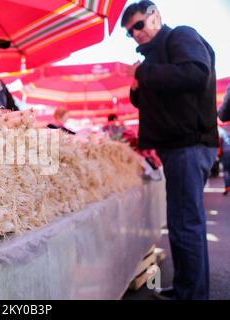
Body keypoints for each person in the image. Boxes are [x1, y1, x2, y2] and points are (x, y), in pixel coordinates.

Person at [122, 1, 219, 300]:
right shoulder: (156, 57)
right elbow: (154, 102)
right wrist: (137, 89)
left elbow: (195, 74)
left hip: (187, 146)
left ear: (155, 16)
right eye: (129, 32)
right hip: (180, 146)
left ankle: (190, 294)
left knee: (184, 225)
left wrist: (144, 75)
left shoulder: (181, 36)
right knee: (186, 224)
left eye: (138, 25)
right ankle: (190, 289)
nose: (135, 34)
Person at [218, 85, 230, 195]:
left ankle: (227, 185)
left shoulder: (223, 129)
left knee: (227, 170)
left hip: (227, 151)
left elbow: (223, 114)